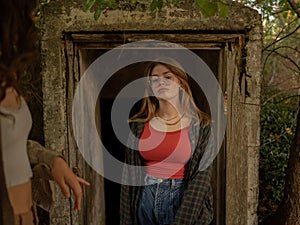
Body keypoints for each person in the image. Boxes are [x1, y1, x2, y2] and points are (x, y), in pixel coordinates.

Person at [0, 0, 89, 224]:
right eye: (29, 14)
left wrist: (50, 160)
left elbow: (11, 144)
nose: (34, 19)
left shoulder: (9, 79)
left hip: (24, 212)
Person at [120, 58, 214, 225]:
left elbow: (202, 179)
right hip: (145, 198)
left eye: (167, 77)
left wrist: (182, 221)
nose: (160, 82)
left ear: (181, 83)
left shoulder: (201, 126)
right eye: (154, 79)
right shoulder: (138, 127)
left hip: (181, 200)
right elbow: (129, 178)